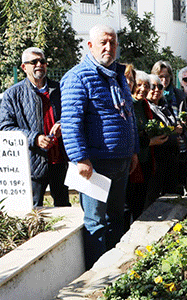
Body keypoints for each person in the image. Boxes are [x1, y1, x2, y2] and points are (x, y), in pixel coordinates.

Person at [60, 24, 139, 269]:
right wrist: (80, 158)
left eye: (112, 42)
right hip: (95, 166)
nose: (109, 47)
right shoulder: (77, 77)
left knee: (117, 217)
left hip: (121, 162)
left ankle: (116, 269)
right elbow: (71, 122)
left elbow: (129, 115)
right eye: (103, 42)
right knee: (96, 221)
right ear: (90, 46)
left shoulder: (118, 75)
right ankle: (97, 275)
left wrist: (133, 149)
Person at [0, 47, 70, 208]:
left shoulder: (60, 90)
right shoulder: (13, 94)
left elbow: (73, 114)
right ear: (24, 67)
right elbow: (5, 128)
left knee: (64, 208)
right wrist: (35, 138)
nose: (39, 64)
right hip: (33, 163)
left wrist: (62, 124)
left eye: (42, 61)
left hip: (60, 160)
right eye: (34, 62)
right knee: (33, 209)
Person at [125, 70, 167, 221]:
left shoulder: (145, 106)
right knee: (127, 204)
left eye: (146, 86)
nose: (143, 89)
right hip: (131, 162)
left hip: (146, 161)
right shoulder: (127, 105)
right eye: (139, 85)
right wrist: (150, 141)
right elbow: (129, 135)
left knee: (140, 203)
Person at [147, 74, 182, 198]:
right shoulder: (146, 108)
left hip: (171, 158)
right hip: (156, 160)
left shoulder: (165, 106)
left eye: (160, 87)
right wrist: (172, 136)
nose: (157, 90)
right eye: (152, 87)